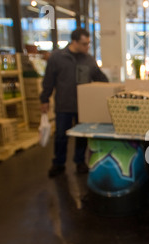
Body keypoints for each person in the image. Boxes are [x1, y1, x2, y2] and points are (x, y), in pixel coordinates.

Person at [40, 27, 108, 177]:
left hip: (83, 106)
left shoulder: (88, 59)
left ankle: (79, 161)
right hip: (63, 104)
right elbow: (48, 81)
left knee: (82, 135)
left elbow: (100, 78)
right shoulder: (57, 57)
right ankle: (58, 163)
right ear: (74, 42)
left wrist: (110, 89)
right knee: (60, 136)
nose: (87, 47)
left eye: (89, 43)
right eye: (84, 44)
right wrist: (44, 99)